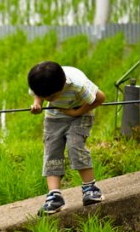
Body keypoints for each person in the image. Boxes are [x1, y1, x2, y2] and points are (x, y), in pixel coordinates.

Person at [28, 61, 106, 215]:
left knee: (75, 146)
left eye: (50, 97)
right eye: (44, 97)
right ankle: (54, 196)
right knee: (52, 151)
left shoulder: (78, 85)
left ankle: (90, 188)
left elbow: (100, 98)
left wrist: (77, 112)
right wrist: (37, 104)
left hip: (80, 115)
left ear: (62, 86)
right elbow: (39, 95)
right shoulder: (41, 82)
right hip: (54, 116)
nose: (48, 100)